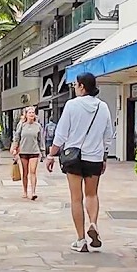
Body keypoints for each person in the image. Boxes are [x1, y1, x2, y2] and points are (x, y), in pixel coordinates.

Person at [47, 73, 113, 252]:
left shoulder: (71, 105)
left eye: (76, 84)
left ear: (82, 86)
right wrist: (105, 156)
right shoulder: (103, 107)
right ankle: (93, 223)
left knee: (76, 198)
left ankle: (81, 239)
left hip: (74, 158)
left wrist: (51, 155)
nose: (75, 87)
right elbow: (108, 135)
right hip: (95, 157)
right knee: (92, 194)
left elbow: (61, 134)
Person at [11, 106, 44, 200]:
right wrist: (14, 147)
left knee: (33, 171)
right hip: (23, 151)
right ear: (26, 114)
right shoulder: (21, 125)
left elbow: (40, 140)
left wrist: (42, 151)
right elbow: (17, 137)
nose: (31, 114)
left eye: (33, 112)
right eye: (29, 112)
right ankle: (25, 191)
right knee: (25, 172)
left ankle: (33, 192)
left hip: (34, 151)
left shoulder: (38, 126)